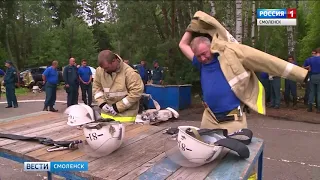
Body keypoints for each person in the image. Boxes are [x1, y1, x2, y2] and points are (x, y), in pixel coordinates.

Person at [179, 11, 307, 180]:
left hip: (233, 121)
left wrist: (302, 74)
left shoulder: (229, 56)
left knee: (241, 165)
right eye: (199, 56)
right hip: (208, 118)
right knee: (205, 159)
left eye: (205, 53)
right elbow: (182, 44)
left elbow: (268, 61)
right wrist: (193, 25)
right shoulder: (200, 63)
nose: (203, 58)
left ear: (211, 45)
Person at [93, 50, 144, 122]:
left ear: (114, 61)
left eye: (106, 68)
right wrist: (102, 103)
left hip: (126, 118)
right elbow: (96, 88)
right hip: (106, 117)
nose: (104, 70)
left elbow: (136, 93)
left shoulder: (129, 73)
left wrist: (118, 107)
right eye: (103, 68)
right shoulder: (100, 70)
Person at [304, 47, 320, 113]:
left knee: (311, 92)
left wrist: (308, 68)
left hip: (312, 76)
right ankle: (319, 108)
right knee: (319, 92)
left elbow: (303, 67)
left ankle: (310, 107)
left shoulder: (309, 59)